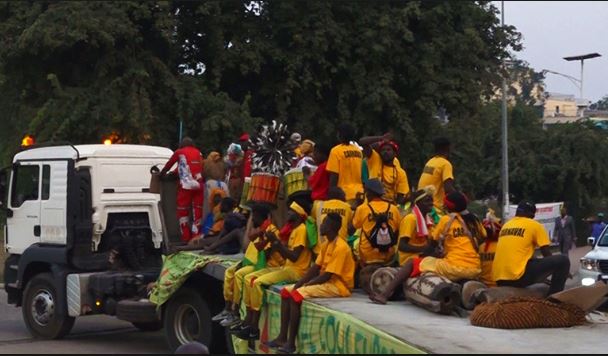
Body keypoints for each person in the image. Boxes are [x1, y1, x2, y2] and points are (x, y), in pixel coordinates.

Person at [370, 191, 486, 305]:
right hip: (475, 268)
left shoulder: (446, 220)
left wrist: (422, 258)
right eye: (428, 201)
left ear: (449, 206)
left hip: (454, 266)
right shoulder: (475, 221)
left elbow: (432, 245)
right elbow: (482, 238)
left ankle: (383, 295)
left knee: (412, 262)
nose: (434, 204)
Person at [264, 213, 355, 354]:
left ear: (331, 227)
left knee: (296, 295)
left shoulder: (341, 247)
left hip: (339, 286)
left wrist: (308, 285)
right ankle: (282, 337)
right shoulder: (326, 244)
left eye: (324, 223)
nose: (321, 225)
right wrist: (300, 283)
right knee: (286, 292)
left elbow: (327, 275)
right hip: (327, 282)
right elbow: (315, 268)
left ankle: (291, 343)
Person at [234, 202, 312, 340]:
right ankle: (248, 320)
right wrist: (274, 243)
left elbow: (294, 257)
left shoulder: (301, 230)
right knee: (248, 279)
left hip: (297, 271)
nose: (287, 214)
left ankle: (253, 326)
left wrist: (276, 243)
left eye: (290, 211)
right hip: (286, 268)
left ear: (298, 215)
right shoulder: (294, 230)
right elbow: (279, 253)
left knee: (256, 282)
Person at [212, 204, 283, 327]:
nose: (253, 219)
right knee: (230, 271)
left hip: (264, 265)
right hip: (252, 262)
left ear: (263, 217)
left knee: (239, 275)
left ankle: (235, 312)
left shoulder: (271, 230)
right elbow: (250, 242)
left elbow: (263, 254)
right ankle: (227, 308)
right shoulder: (261, 229)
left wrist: (263, 237)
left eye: (254, 216)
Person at [492, 201, 570, 295]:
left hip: (499, 280)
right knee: (563, 260)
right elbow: (547, 254)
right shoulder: (535, 225)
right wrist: (560, 272)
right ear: (532, 214)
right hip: (517, 278)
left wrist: (541, 277)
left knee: (534, 261)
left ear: (517, 212)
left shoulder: (505, 226)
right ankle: (554, 299)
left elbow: (525, 256)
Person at [160, 137, 204, 242]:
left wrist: (162, 174)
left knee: (183, 212)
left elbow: (169, 164)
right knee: (197, 212)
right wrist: (176, 172)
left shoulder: (179, 152)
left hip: (186, 186)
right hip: (199, 185)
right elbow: (189, 167)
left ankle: (185, 238)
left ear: (181, 145)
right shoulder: (198, 153)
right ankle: (196, 238)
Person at [351, 179, 401, 268]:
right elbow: (398, 229)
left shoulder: (362, 209)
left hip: (368, 255)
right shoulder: (393, 208)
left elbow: (355, 226)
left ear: (368, 193)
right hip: (389, 254)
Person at [359, 133, 409, 205]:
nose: (385, 152)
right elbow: (362, 142)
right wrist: (381, 138)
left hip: (390, 208)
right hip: (371, 204)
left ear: (395, 153)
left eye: (388, 150)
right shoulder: (375, 159)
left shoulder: (400, 172)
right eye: (383, 150)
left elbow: (400, 197)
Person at [327, 123, 364, 209]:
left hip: (343, 195)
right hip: (359, 194)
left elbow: (334, 176)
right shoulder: (358, 151)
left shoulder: (336, 151)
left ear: (340, 135)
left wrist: (330, 196)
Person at [397, 187, 435, 266]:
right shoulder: (411, 218)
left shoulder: (429, 220)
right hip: (409, 259)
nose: (431, 203)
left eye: (432, 200)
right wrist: (423, 249)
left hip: (422, 255)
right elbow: (401, 246)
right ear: (418, 203)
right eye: (427, 201)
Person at [417, 137, 455, 215]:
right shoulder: (445, 164)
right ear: (447, 148)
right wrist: (461, 198)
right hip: (434, 211)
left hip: (421, 207)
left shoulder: (430, 162)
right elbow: (448, 189)